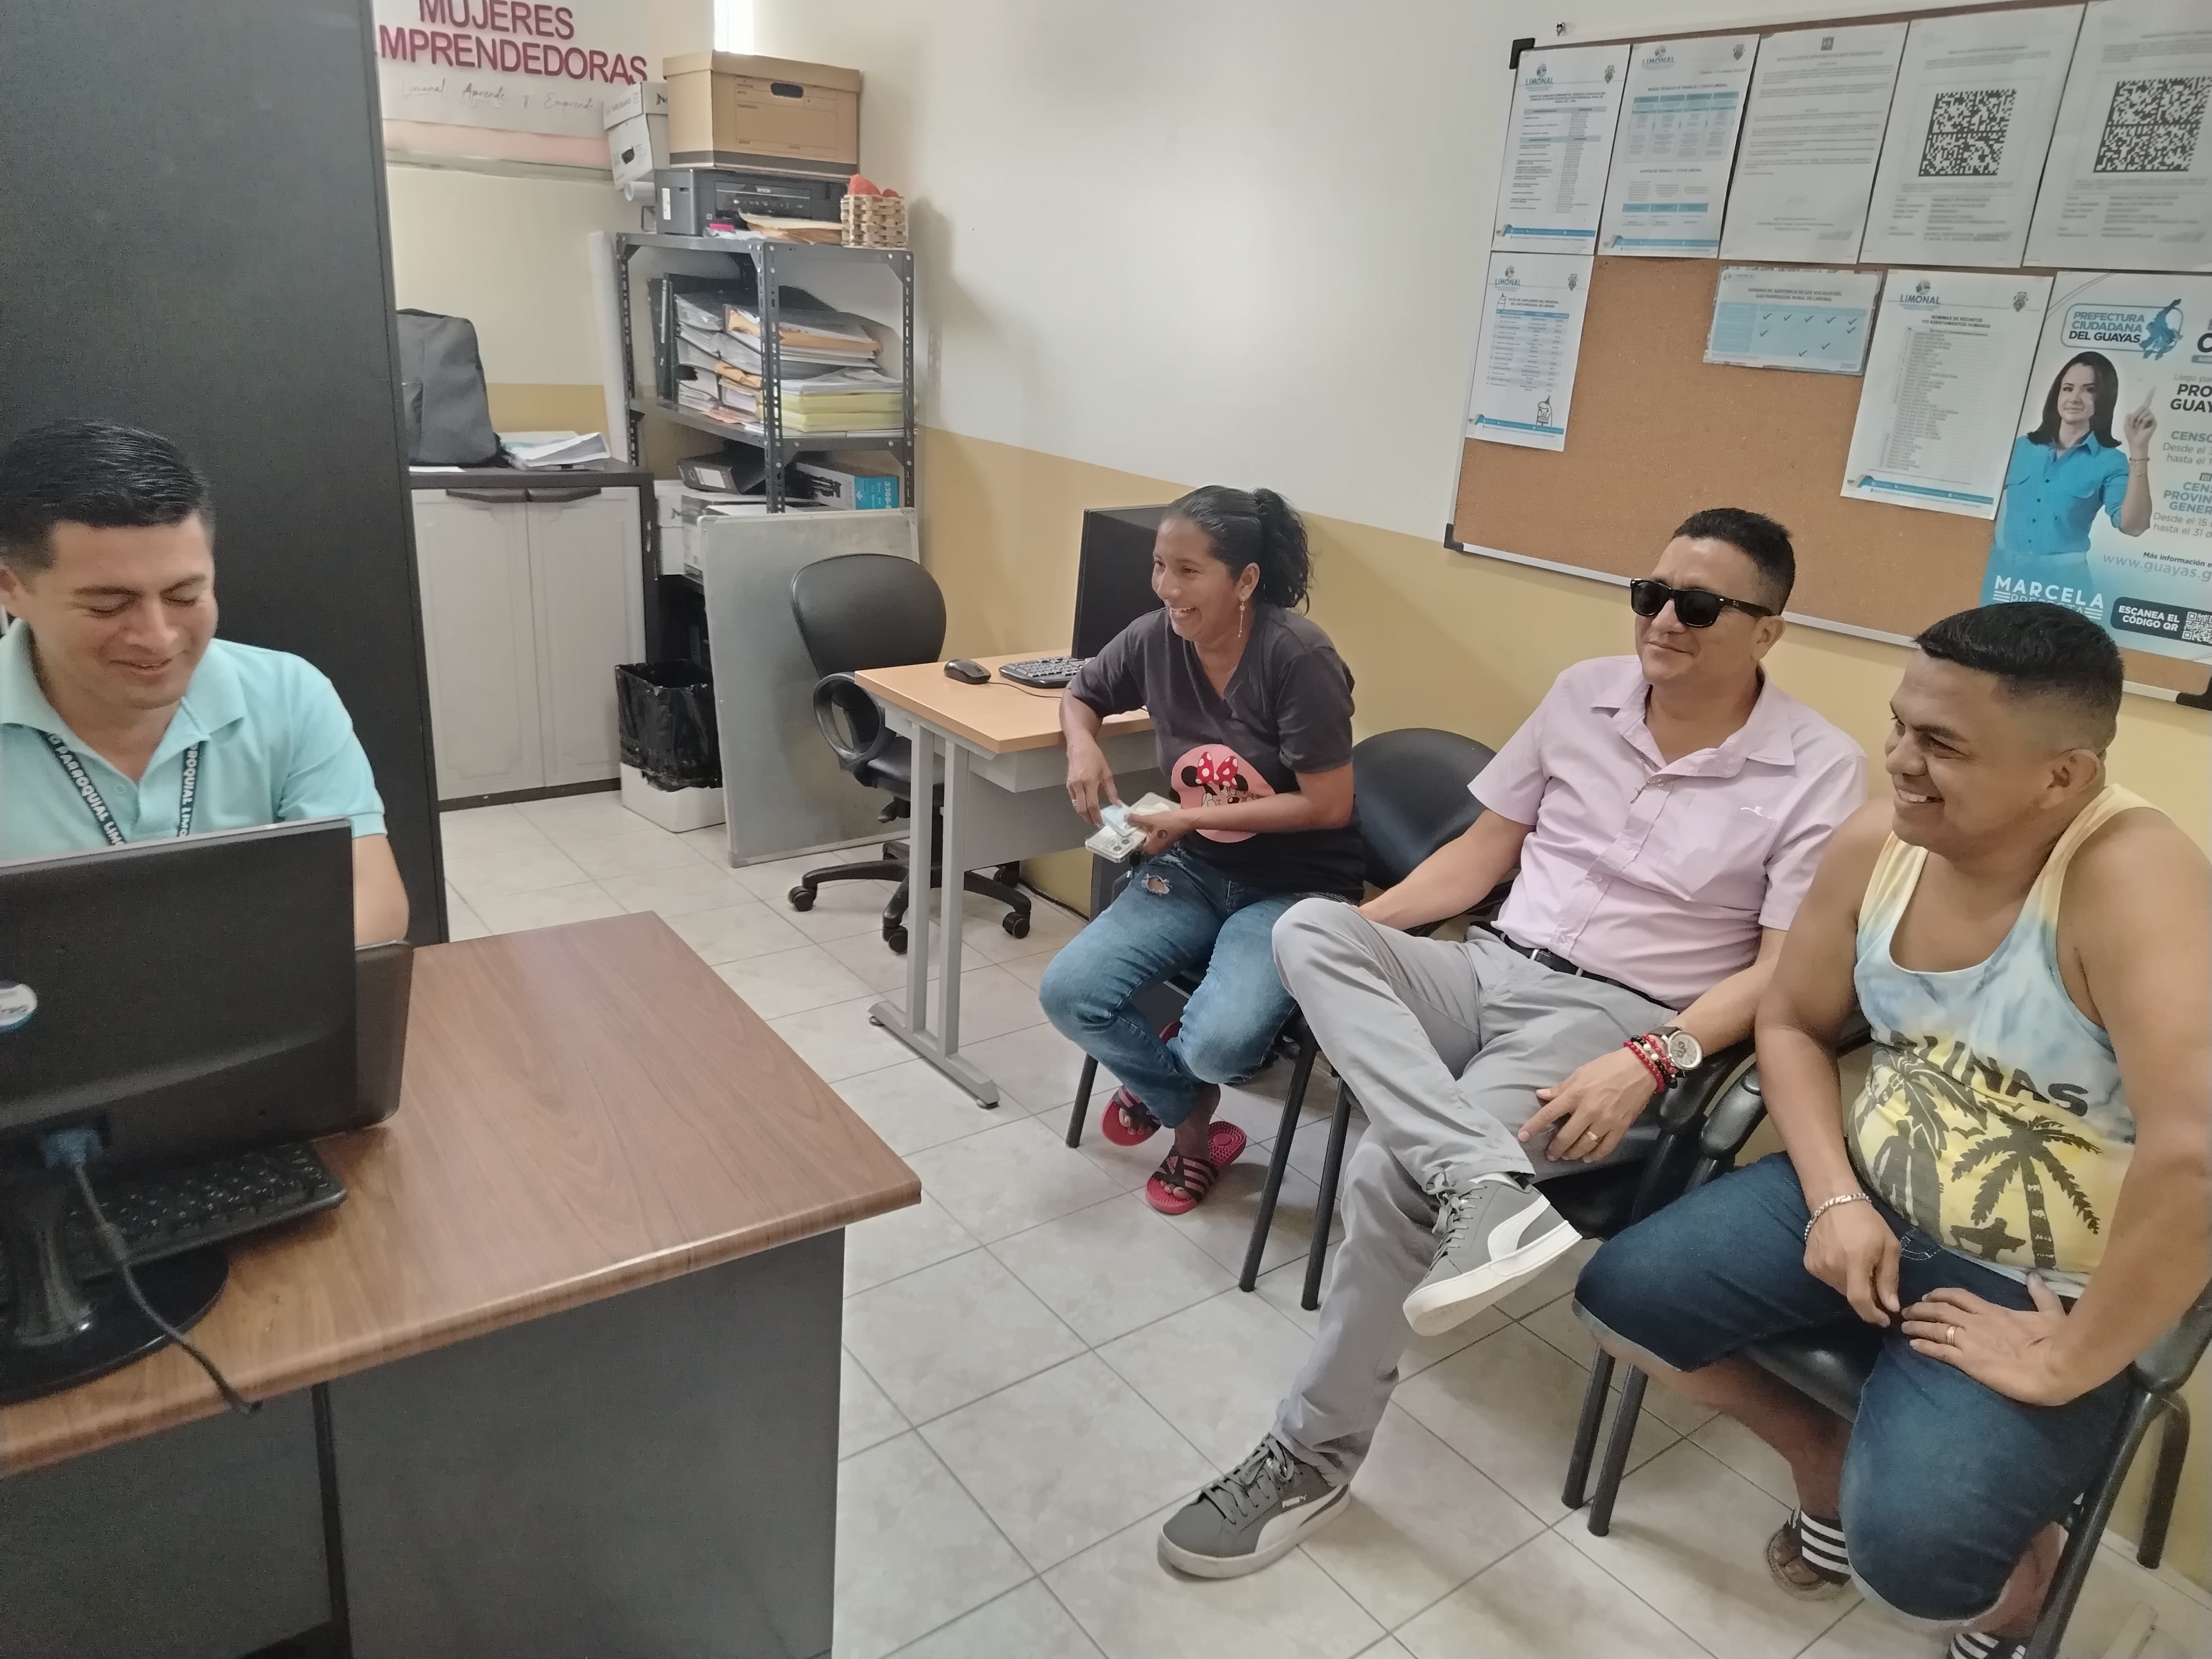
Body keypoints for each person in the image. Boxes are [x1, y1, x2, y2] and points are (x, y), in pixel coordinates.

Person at [1156, 507, 1866, 1577]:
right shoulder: (1583, 694)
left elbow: (1779, 971)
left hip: (1614, 1020)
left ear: (1767, 630)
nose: (1662, 621)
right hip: (1486, 964)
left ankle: (1309, 1455)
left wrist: (1653, 1059)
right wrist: (1359, 948)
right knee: (1309, 928)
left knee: (1390, 1170)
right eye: (1651, 595)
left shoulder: (1817, 768)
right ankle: (1481, 1179)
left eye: (1698, 606)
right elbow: (1477, 861)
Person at [1574, 604, 2209, 1659]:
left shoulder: (2135, 883)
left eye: (1943, 744)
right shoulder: (1882, 843)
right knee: (1617, 1299)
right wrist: (1833, 1196)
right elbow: (1791, 1020)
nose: (1902, 762)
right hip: (1863, 1194)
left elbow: (2195, 1157)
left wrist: (2071, 1359)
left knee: (1918, 1570)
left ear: (2063, 777)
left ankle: (2019, 1607)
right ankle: (1820, 1461)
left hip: (2043, 1285)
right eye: (1902, 726)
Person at [1039, 486, 1360, 1215]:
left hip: (1295, 887)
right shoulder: (1155, 638)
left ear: (1245, 581)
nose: (1166, 588)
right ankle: (1191, 1121)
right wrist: (1081, 744)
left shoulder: (1297, 656)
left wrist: (1186, 820)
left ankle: (1168, 1075)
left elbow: (1328, 805)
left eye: (1188, 571)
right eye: (1159, 566)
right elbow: (1081, 693)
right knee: (1069, 994)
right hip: (1196, 869)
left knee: (1221, 1047)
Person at [0, 420, 408, 943]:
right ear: (11, 588)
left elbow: (371, 902)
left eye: (185, 596)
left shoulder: (287, 694)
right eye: (107, 605)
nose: (158, 637)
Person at [1982, 352, 2155, 624]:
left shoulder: (2110, 461)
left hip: (2062, 587)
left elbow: (2133, 526)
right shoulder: (2021, 447)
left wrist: (2139, 449)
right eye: (2068, 388)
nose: (2075, 398)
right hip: (2002, 580)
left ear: (2104, 398)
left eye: (2089, 390)